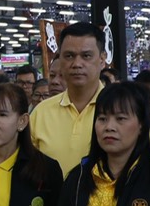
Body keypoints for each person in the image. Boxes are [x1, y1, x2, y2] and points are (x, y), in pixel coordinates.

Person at [31, 22, 105, 171]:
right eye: (69, 56)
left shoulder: (122, 111)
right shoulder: (41, 112)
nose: (77, 64)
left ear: (102, 60)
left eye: (86, 56)